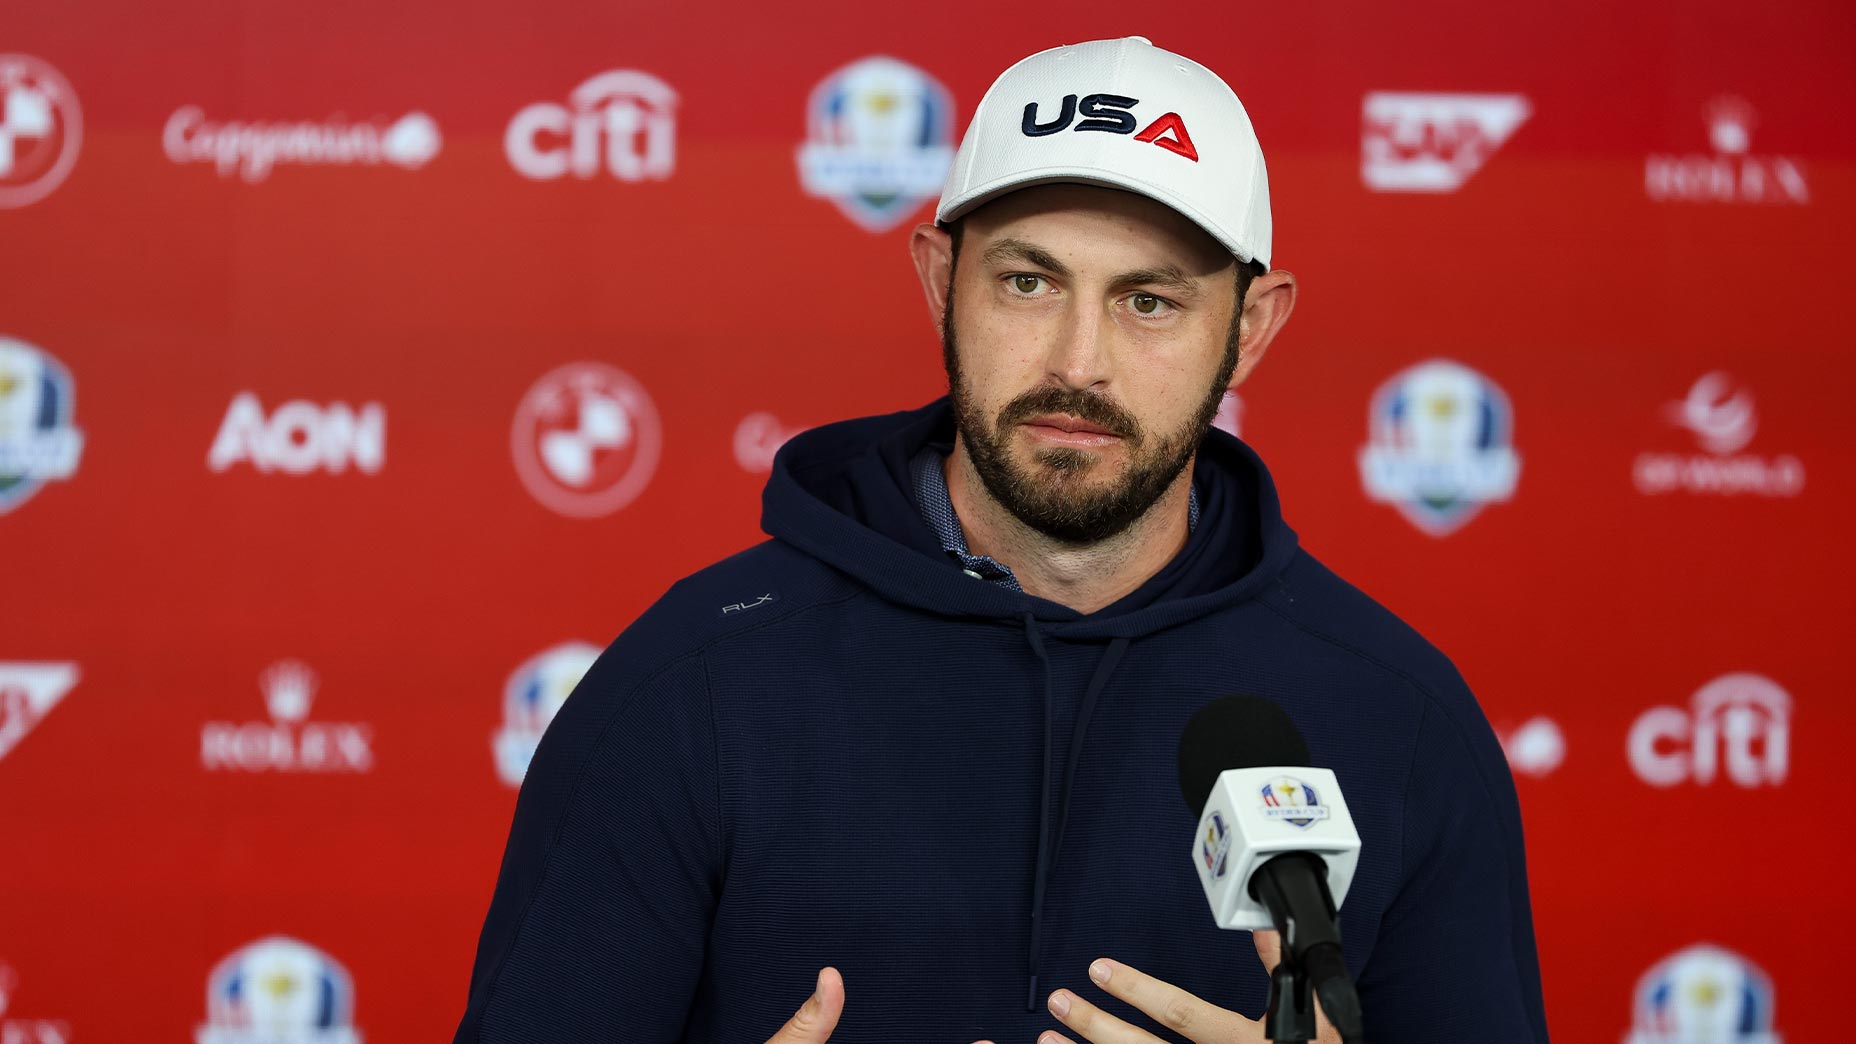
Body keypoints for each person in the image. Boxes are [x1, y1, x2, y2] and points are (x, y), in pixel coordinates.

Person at [451, 36, 1548, 1044]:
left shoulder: (1400, 723)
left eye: (1149, 302)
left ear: (1250, 328)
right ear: (939, 280)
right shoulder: (692, 684)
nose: (1079, 361)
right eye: (1027, 282)